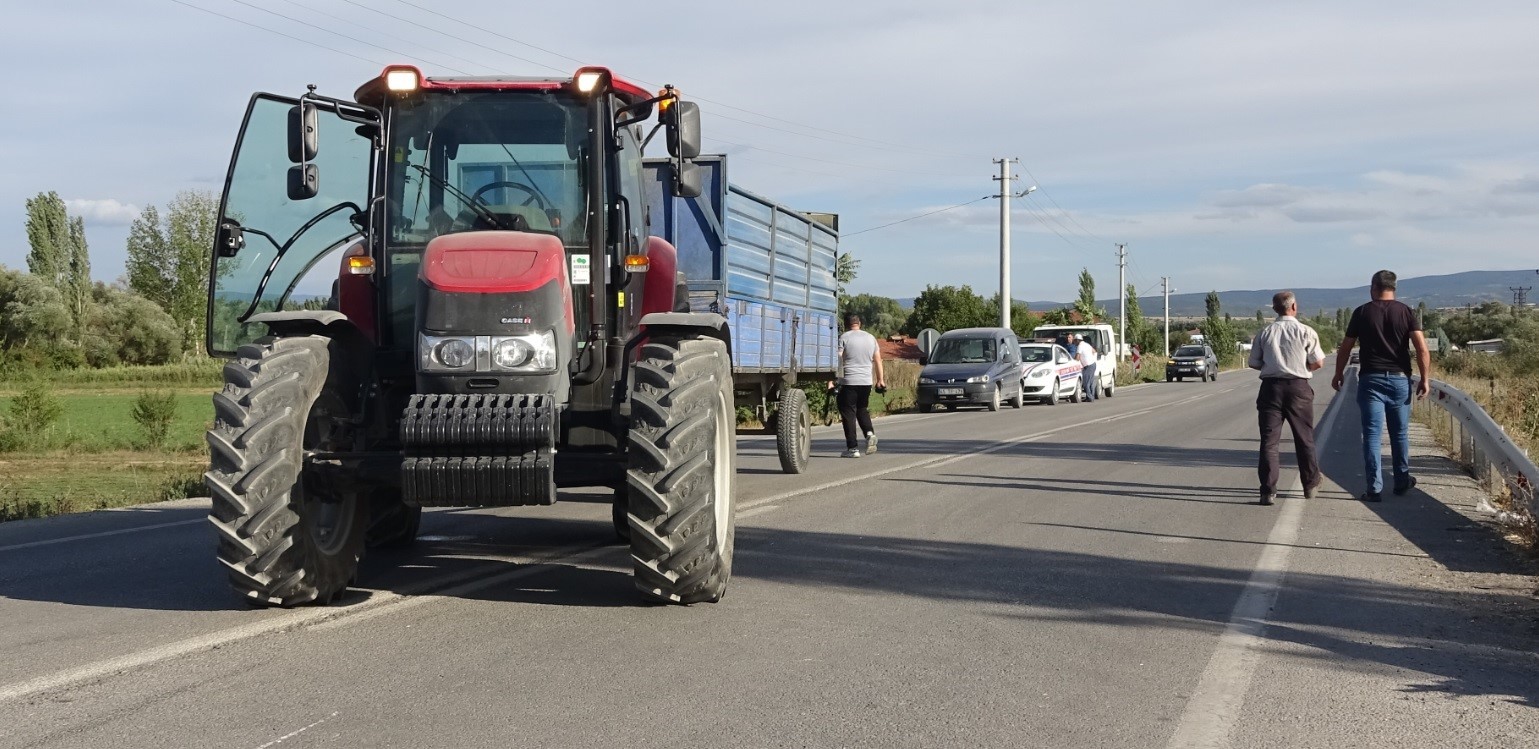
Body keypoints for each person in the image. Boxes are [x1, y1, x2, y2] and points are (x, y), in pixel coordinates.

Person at [1331, 270, 1432, 502]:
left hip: (1371, 380)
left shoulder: (1362, 312)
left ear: (1373, 287)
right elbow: (1421, 348)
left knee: (1372, 435)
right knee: (1399, 434)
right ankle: (1401, 481)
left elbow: (1346, 347)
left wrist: (1338, 373)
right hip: (1399, 380)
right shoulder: (1407, 312)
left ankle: (1374, 488)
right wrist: (1425, 379)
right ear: (1394, 288)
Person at [1248, 291, 1325, 506]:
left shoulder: (1264, 333)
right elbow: (1318, 362)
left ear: (1274, 309)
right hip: (1298, 388)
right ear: (1294, 307)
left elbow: (1254, 363)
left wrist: (1274, 364)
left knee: (1269, 442)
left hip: (1271, 389)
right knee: (1304, 438)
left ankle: (1268, 491)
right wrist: (1300, 366)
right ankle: (1310, 485)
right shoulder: (1306, 331)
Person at [834, 314, 884, 458]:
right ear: (859, 323)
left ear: (846, 324)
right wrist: (880, 380)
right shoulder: (871, 338)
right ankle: (869, 433)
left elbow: (838, 358)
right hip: (866, 382)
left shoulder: (844, 337)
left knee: (848, 413)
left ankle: (852, 448)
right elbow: (878, 360)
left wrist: (832, 380)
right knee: (862, 409)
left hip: (849, 381)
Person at [1074, 334, 1098, 402]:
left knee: (1086, 383)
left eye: (1075, 341)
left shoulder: (1080, 346)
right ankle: (1090, 396)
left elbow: (1077, 358)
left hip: (1088, 366)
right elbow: (1094, 351)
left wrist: (1072, 360)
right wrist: (1090, 357)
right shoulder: (1086, 344)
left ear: (1077, 340)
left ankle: (1090, 397)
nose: (1074, 342)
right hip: (1093, 364)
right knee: (1090, 382)